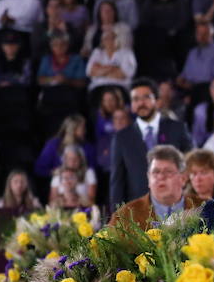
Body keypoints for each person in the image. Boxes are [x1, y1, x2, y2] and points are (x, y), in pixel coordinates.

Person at [108, 79, 193, 207]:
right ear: (131, 105)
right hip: (138, 210)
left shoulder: (178, 128)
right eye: (136, 99)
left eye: (146, 97)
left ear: (158, 101)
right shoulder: (121, 138)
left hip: (176, 206)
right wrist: (117, 218)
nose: (141, 103)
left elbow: (190, 164)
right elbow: (117, 181)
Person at [109, 145, 205, 229]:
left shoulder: (205, 207)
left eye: (168, 172)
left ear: (183, 178)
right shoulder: (124, 217)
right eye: (155, 172)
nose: (161, 177)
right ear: (148, 178)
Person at [177, 19, 214, 103]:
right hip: (192, 90)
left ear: (212, 34)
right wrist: (181, 80)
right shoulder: (193, 53)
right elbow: (185, 75)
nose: (201, 37)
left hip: (211, 94)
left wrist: (194, 89)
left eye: (205, 34)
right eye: (199, 33)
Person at [86, 25, 136, 95]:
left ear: (118, 39)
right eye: (106, 38)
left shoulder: (127, 53)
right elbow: (90, 72)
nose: (109, 41)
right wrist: (113, 68)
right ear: (102, 41)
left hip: (120, 87)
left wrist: (101, 69)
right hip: (98, 87)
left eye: (113, 38)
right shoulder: (97, 52)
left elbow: (124, 74)